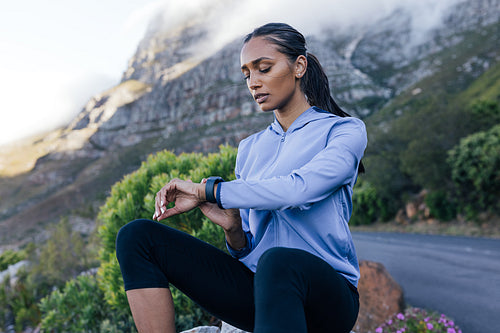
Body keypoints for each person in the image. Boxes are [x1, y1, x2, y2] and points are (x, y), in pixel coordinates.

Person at [116, 22, 367, 333]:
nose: (254, 82)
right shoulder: (250, 148)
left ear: (299, 66)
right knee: (138, 236)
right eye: (247, 74)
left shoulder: (344, 131)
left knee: (278, 262)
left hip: (326, 299)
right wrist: (234, 231)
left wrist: (209, 191)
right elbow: (246, 248)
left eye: (264, 68)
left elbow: (298, 190)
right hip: (262, 292)